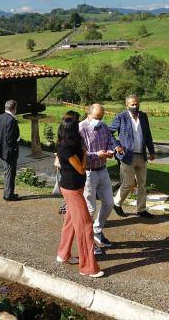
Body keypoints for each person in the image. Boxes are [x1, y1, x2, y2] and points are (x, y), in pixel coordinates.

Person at [56, 114, 104, 278]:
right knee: (85, 226)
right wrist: (84, 154)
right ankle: (88, 267)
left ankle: (63, 254)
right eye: (76, 128)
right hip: (72, 189)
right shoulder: (66, 148)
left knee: (70, 221)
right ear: (71, 131)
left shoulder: (69, 144)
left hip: (74, 187)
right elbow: (82, 169)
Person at [79, 103, 122, 252]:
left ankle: (97, 230)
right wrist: (96, 154)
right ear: (89, 114)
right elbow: (79, 153)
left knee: (109, 203)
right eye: (97, 117)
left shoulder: (103, 126)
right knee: (90, 208)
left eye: (101, 117)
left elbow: (110, 140)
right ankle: (89, 242)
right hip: (89, 171)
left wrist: (112, 150)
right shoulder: (81, 128)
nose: (99, 120)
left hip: (102, 169)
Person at [110, 94, 155, 219]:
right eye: (132, 104)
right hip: (127, 156)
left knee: (142, 184)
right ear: (127, 105)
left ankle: (141, 210)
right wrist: (117, 146)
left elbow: (148, 135)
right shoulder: (121, 117)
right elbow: (109, 133)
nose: (135, 106)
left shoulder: (144, 116)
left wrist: (151, 151)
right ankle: (116, 203)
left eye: (137, 103)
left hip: (141, 155)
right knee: (128, 183)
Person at [0, 100, 21, 201]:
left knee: (7, 172)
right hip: (10, 151)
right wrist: (16, 144)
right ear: (14, 108)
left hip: (1, 150)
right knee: (10, 173)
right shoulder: (11, 120)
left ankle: (7, 192)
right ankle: (9, 195)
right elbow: (11, 138)